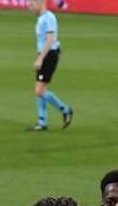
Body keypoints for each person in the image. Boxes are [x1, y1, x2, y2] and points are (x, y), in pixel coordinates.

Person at [30, 0, 73, 132]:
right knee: (40, 87)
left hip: (48, 56)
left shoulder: (48, 18)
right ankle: (42, 121)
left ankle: (65, 110)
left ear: (40, 4)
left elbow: (50, 40)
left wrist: (40, 59)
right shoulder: (42, 18)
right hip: (46, 54)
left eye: (32, 5)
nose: (30, 8)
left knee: (39, 90)